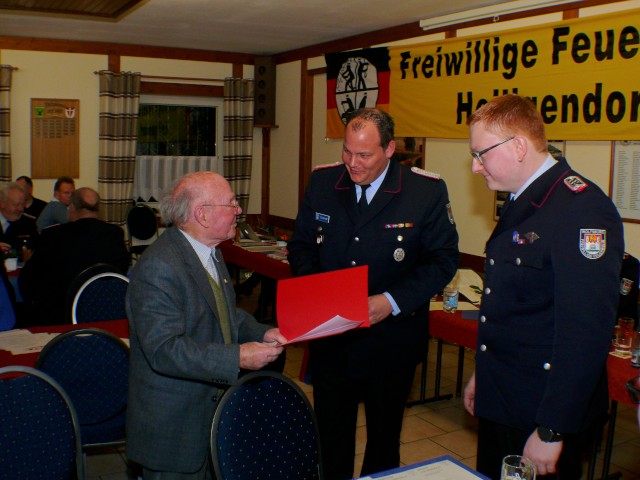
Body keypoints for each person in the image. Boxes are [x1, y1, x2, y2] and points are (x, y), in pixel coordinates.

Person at [287, 108, 459, 479]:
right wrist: (318, 290)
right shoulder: (323, 184)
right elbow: (301, 246)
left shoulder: (424, 190)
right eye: (347, 151)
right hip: (332, 337)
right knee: (331, 436)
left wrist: (391, 302)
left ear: (390, 149)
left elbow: (442, 260)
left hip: (390, 341)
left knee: (383, 439)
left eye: (364, 155)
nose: (352, 163)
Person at [463, 94, 624, 479]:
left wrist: (552, 428)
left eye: (480, 154)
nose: (474, 167)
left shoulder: (581, 210)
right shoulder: (524, 199)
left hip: (543, 411)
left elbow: (585, 331)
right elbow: (513, 307)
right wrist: (484, 373)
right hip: (505, 395)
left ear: (518, 146)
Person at [126, 171, 286, 480]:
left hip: (210, 416)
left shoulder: (210, 253)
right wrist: (238, 357)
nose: (239, 210)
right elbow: (165, 350)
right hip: (175, 430)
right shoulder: (159, 266)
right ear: (202, 214)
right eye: (231, 203)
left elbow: (224, 313)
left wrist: (261, 331)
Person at [19, 187, 130, 326]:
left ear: (72, 207)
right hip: (106, 314)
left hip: (59, 317)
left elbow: (28, 279)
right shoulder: (115, 234)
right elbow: (122, 270)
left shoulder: (54, 236)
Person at [0, 182, 38, 254]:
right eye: (16, 205)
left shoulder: (29, 224)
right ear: (2, 203)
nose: (20, 209)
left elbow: (36, 252)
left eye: (23, 204)